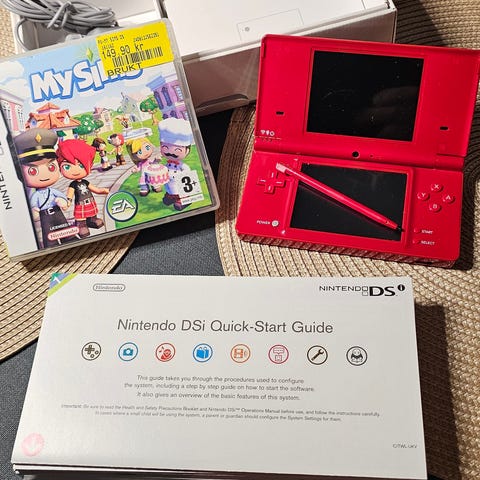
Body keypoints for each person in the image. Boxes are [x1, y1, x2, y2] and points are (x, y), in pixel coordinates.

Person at [13, 128, 75, 248]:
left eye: (51, 167)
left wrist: (62, 202)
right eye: (32, 170)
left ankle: (69, 238)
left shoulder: (53, 191)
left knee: (65, 228)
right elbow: (34, 208)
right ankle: (51, 243)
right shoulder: (35, 195)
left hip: (58, 213)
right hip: (45, 217)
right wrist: (35, 212)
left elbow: (64, 201)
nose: (44, 175)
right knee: (48, 234)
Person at [57, 139, 109, 238]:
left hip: (90, 201)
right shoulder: (73, 184)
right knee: (80, 217)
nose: (75, 170)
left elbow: (95, 189)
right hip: (80, 204)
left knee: (92, 213)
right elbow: (70, 195)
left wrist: (102, 190)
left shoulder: (85, 182)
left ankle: (92, 220)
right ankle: (81, 225)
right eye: (67, 167)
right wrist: (67, 203)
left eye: (81, 165)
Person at [158, 117, 194, 211]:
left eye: (177, 150)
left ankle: (183, 199)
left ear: (187, 150)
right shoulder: (167, 165)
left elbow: (188, 178)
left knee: (177, 189)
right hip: (169, 184)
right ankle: (171, 196)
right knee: (169, 191)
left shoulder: (183, 167)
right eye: (165, 147)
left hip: (179, 186)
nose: (170, 152)